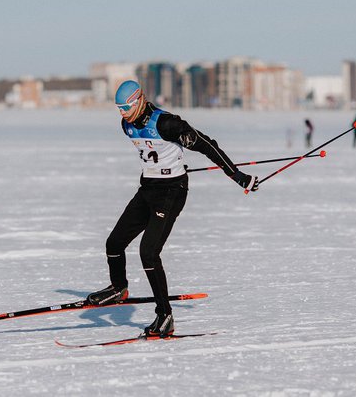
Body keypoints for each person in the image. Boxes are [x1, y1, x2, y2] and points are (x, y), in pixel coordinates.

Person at [86, 80, 258, 337]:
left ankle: (164, 315)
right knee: (114, 243)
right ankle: (118, 288)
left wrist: (238, 176)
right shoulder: (126, 125)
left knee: (149, 253)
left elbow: (207, 144)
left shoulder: (168, 123)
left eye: (125, 107)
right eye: (118, 108)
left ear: (139, 100)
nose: (122, 113)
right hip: (148, 189)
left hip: (171, 192)